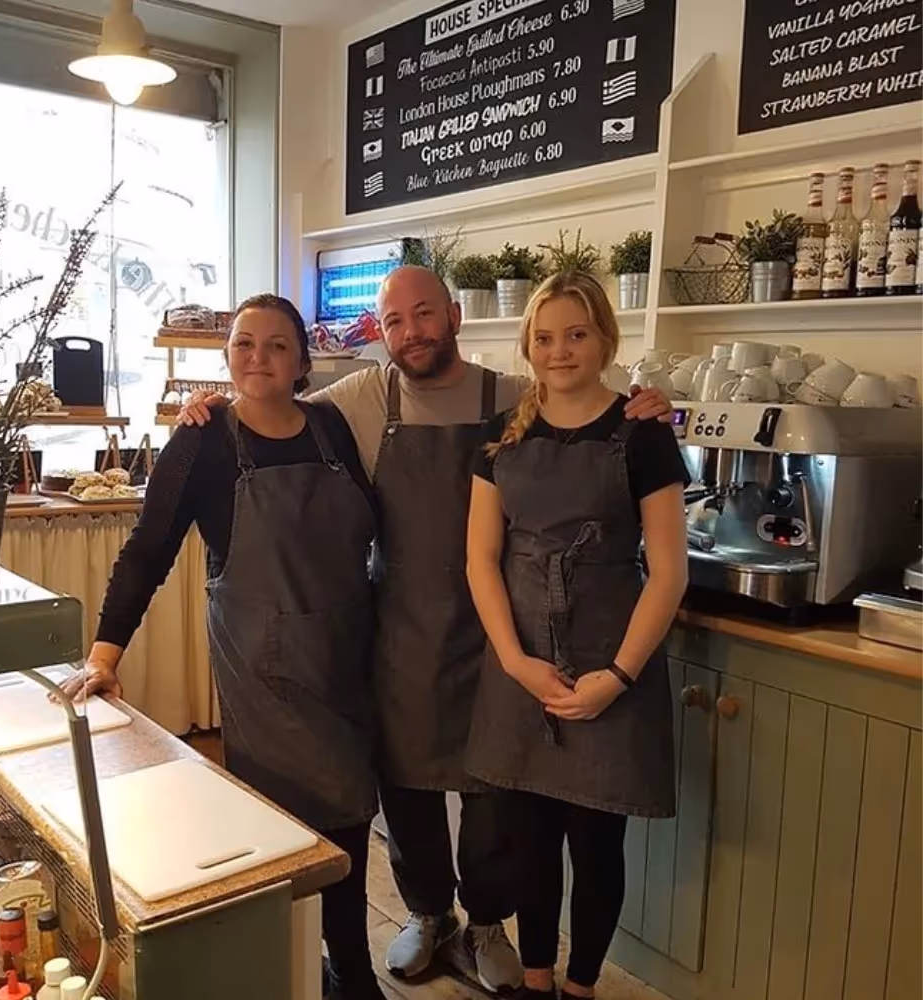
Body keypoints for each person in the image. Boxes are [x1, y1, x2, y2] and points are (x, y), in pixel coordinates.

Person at [179, 266, 673, 994]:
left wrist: (648, 403)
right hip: (404, 629)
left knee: (494, 798)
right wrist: (215, 403)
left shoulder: (510, 397)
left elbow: (581, 399)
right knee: (406, 785)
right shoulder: (361, 399)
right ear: (382, 333)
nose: (411, 333)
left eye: (425, 315)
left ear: (454, 317)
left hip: (501, 635)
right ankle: (428, 912)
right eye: (395, 321)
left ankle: (487, 922)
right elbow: (274, 403)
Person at [60, 294, 384, 1000]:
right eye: (243, 344)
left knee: (352, 813)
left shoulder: (332, 426)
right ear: (227, 355)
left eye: (276, 345)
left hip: (346, 658)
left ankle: (344, 968)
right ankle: (299, 972)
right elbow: (148, 551)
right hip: (264, 667)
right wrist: (104, 656)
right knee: (282, 822)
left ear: (302, 362)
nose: (258, 358)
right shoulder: (202, 442)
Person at [465, 271, 689, 1000]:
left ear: (604, 341)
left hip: (610, 661)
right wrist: (514, 662)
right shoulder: (501, 436)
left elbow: (668, 573)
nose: (559, 350)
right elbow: (480, 560)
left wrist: (617, 678)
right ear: (528, 347)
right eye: (544, 337)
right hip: (521, 663)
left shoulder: (644, 434)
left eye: (576, 334)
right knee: (529, 838)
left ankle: (582, 987)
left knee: (596, 845)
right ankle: (537, 983)